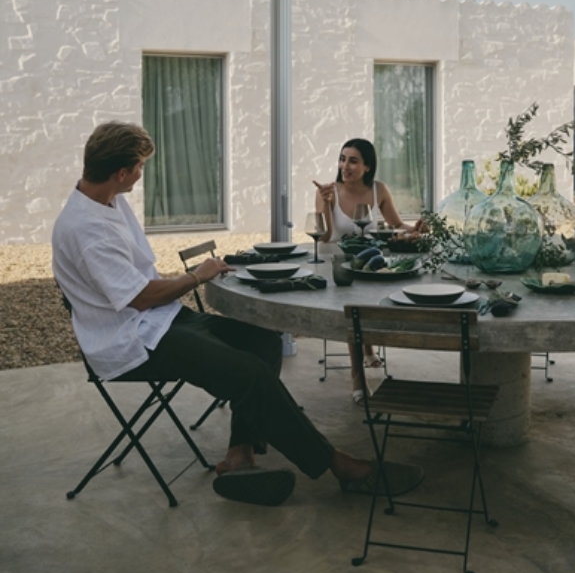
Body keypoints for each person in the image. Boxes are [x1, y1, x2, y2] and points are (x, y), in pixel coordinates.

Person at [53, 121, 420, 506]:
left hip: (159, 319)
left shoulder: (110, 199)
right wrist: (197, 275)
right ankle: (338, 465)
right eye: (140, 167)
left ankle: (239, 454)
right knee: (250, 374)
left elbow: (140, 286)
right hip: (131, 340)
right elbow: (141, 296)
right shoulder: (86, 229)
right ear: (122, 172)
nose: (142, 174)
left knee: (263, 342)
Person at [313, 138, 416, 404]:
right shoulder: (328, 191)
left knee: (371, 305)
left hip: (372, 264)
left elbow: (396, 225)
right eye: (342, 158)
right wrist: (324, 205)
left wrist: (416, 230)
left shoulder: (378, 190)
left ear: (367, 167)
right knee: (354, 312)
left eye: (353, 160)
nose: (344, 166)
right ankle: (357, 377)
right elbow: (324, 237)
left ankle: (368, 351)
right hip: (340, 265)